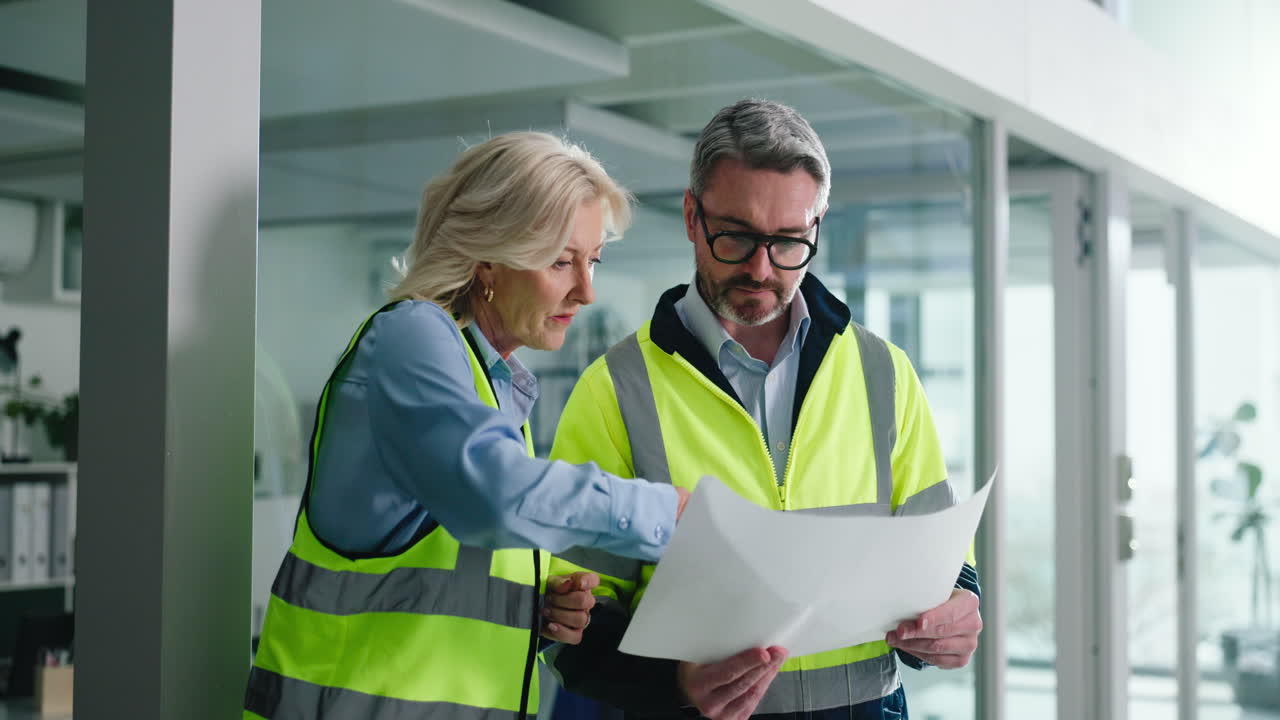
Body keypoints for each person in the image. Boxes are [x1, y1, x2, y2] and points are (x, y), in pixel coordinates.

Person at [546, 100, 982, 719]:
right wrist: (672, 684)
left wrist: (958, 610)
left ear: (818, 225)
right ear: (693, 216)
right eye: (738, 236)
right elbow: (566, 624)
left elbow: (942, 558)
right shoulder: (615, 389)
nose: (761, 267)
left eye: (788, 242)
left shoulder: (884, 373)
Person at [244, 131, 689, 720]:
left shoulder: (495, 386)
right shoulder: (411, 335)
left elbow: (429, 587)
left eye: (592, 261)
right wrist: (669, 515)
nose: (586, 291)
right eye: (561, 261)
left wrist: (527, 609)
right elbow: (496, 496)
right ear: (487, 258)